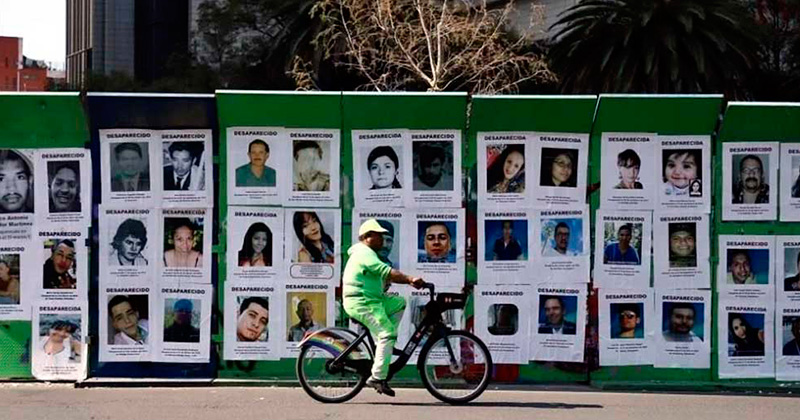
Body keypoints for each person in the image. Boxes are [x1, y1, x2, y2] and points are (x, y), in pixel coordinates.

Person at [343, 219, 425, 396]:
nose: (382, 239)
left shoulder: (369, 254)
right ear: (367, 237)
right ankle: (377, 377)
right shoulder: (364, 253)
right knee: (387, 332)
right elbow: (386, 272)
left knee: (399, 303)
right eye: (379, 235)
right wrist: (410, 279)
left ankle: (385, 344)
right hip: (362, 302)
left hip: (374, 300)